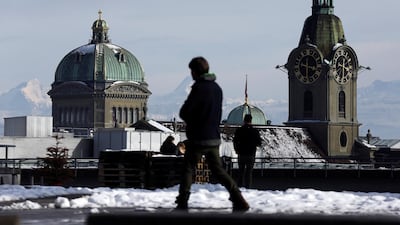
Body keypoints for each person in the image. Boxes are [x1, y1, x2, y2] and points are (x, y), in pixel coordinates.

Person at [175, 56, 249, 212]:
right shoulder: (217, 89)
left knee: (188, 168)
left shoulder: (198, 88)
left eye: (192, 71)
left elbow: (185, 112)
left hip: (198, 138)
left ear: (196, 72)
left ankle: (182, 201)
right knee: (219, 170)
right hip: (214, 138)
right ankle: (238, 197)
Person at [233, 114, 262, 188]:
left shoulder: (239, 130)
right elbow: (259, 143)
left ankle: (239, 187)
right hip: (251, 154)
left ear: (244, 120)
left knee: (241, 172)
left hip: (241, 154)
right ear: (251, 120)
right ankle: (247, 187)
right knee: (249, 173)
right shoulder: (255, 131)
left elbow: (235, 141)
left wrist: (237, 150)